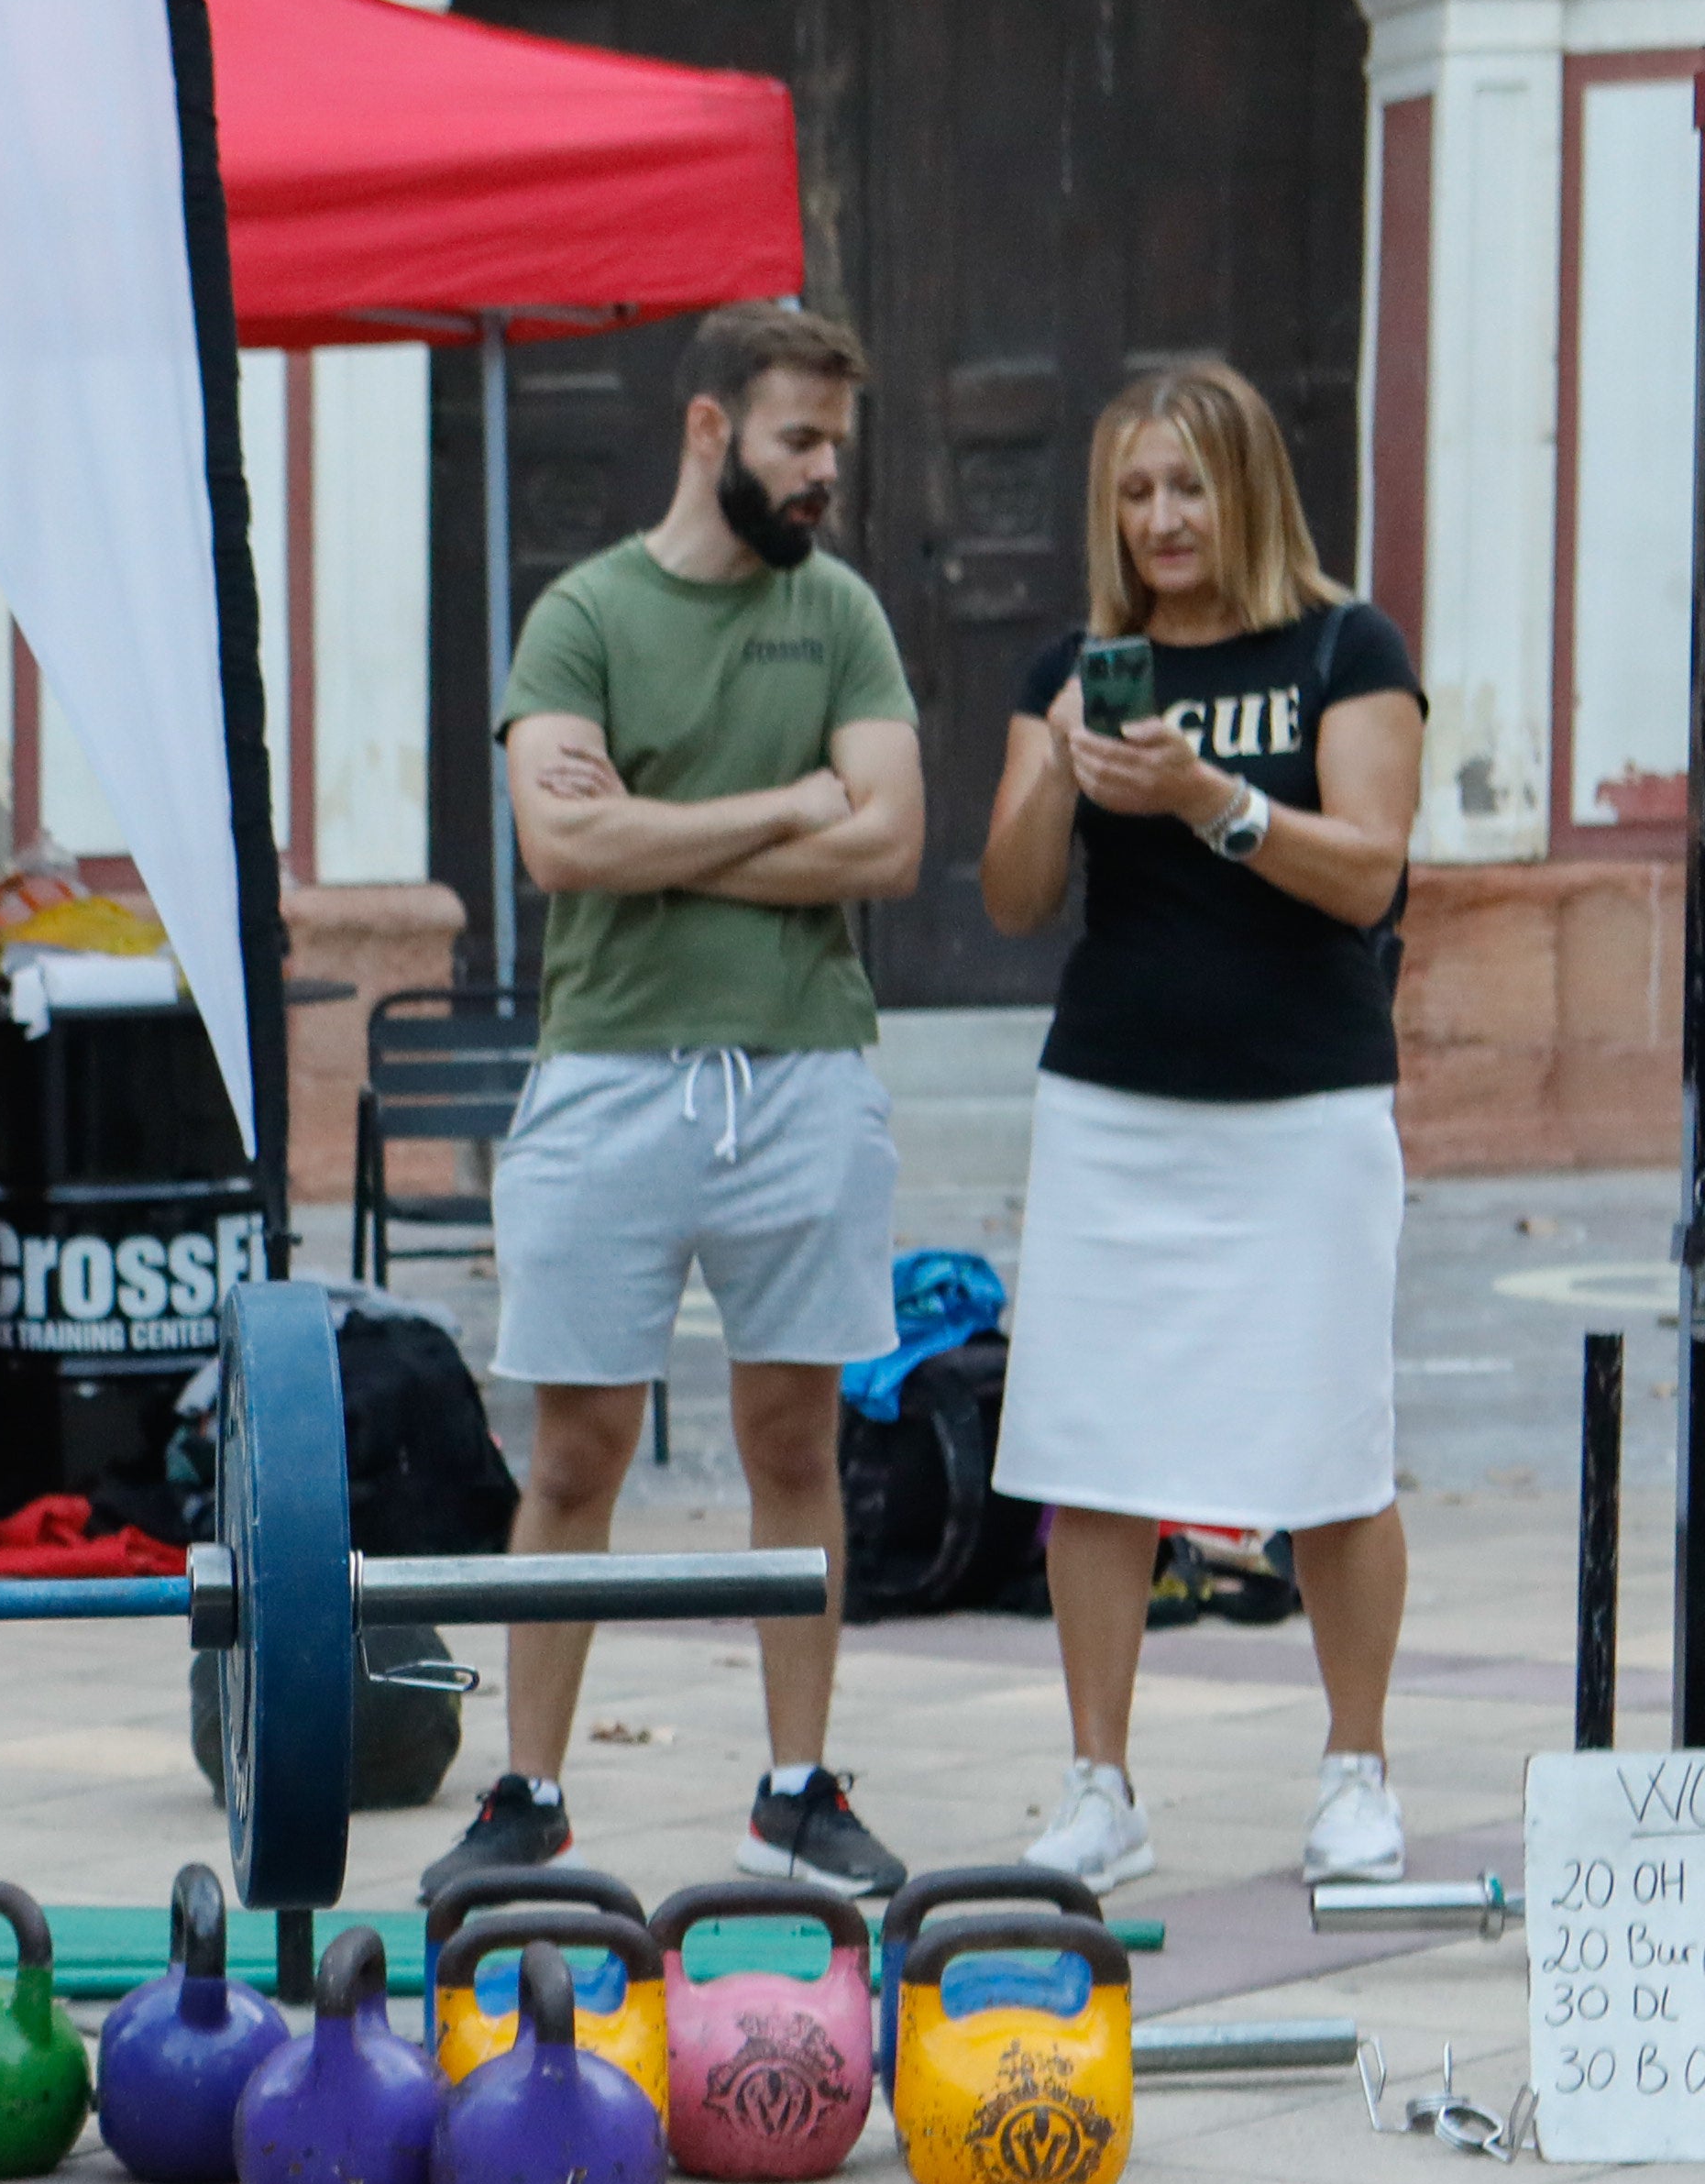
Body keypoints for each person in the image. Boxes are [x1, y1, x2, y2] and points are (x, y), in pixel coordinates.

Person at [436, 299, 927, 1907]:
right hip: (609, 1074)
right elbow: (564, 851)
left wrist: (675, 820)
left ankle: (794, 1792)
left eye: (834, 449)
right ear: (711, 429)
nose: (822, 477)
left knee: (795, 1437)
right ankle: (529, 1800)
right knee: (575, 1452)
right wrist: (791, 803)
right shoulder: (581, 617)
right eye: (797, 442)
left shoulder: (841, 614)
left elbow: (892, 846)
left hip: (805, 1072)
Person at [974, 357, 1426, 1890]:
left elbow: (1367, 870)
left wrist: (1207, 798)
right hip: (1114, 1103)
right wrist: (1062, 763)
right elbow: (1017, 897)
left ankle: (1356, 1768)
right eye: (1136, 492)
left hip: (1305, 1105)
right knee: (1090, 1451)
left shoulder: (1344, 646)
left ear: (1246, 490)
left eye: (1187, 485)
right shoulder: (1079, 662)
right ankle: (1100, 1782)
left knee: (1335, 1449)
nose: (1164, 518)